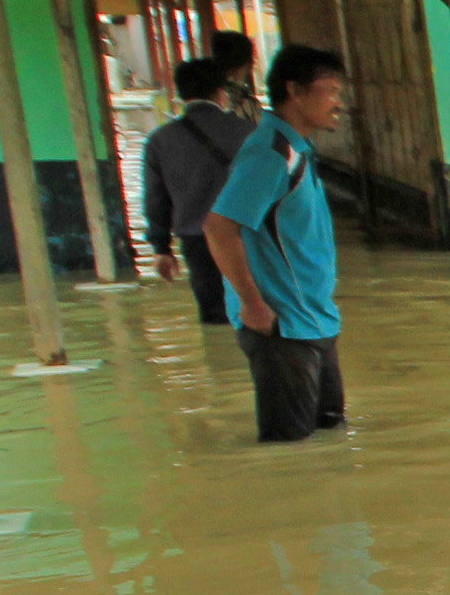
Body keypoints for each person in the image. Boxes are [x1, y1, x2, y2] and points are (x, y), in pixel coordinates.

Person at [203, 45, 350, 444]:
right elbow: (218, 227)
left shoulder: (297, 149)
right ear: (295, 91)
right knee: (289, 450)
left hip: (313, 318)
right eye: (331, 90)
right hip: (282, 327)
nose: (339, 103)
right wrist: (252, 304)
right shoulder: (272, 154)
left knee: (329, 435)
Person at [138, 55, 251, 324]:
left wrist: (161, 249)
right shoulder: (248, 133)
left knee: (215, 319)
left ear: (179, 93)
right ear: (221, 93)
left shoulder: (159, 140)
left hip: (197, 241)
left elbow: (156, 200)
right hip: (246, 237)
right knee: (253, 311)